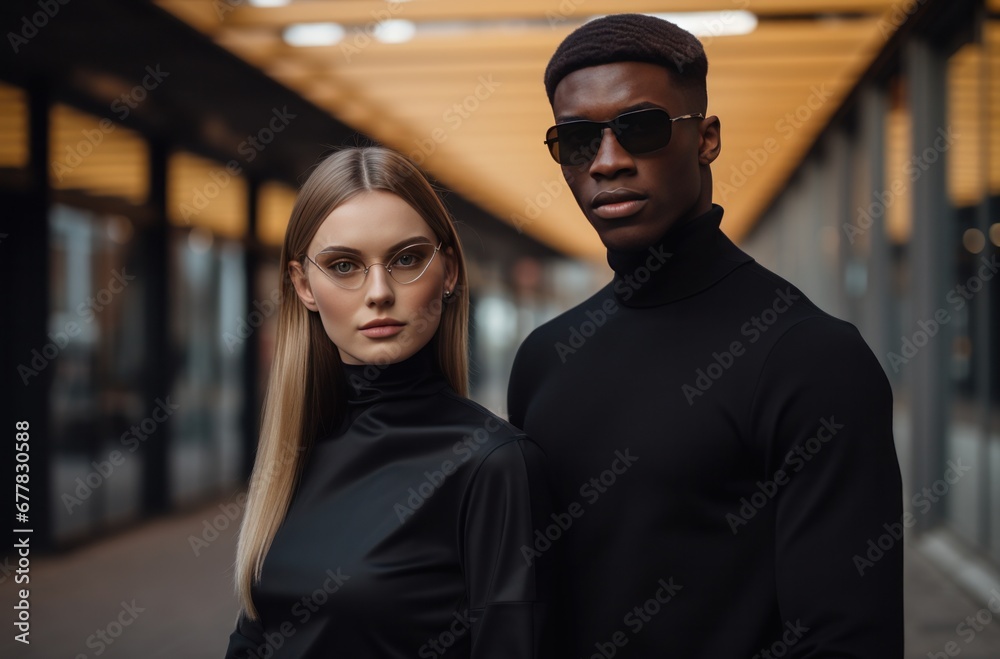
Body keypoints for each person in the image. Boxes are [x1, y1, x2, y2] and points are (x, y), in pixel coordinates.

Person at [507, 13, 902, 658]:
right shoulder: (545, 359)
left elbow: (848, 640)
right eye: (577, 140)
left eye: (641, 127)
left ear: (707, 139)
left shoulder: (810, 358)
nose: (608, 162)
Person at [225, 146, 549, 658]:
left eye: (406, 258)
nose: (378, 291)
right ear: (303, 285)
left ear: (449, 272)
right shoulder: (297, 448)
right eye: (344, 264)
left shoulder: (493, 465)